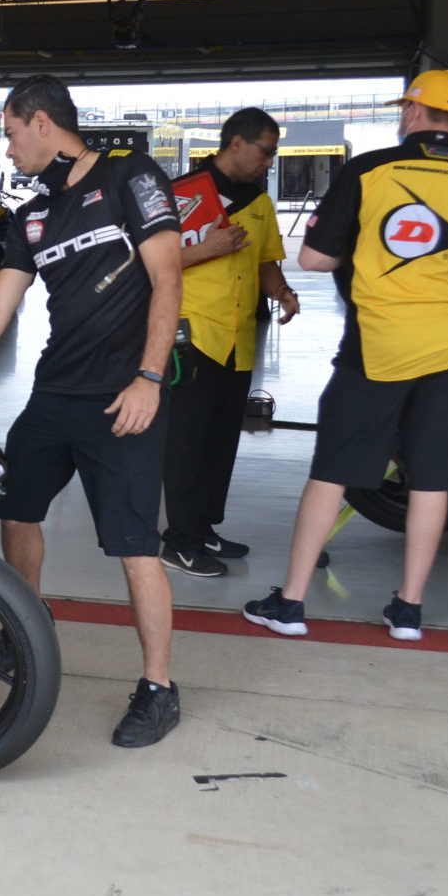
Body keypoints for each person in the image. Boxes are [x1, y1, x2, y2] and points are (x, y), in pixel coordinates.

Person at [0, 74, 186, 749]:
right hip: (55, 395)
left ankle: (159, 688)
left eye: (13, 134)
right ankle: (28, 630)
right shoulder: (31, 215)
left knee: (134, 544)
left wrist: (149, 377)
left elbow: (169, 278)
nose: (10, 149)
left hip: (124, 396)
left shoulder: (131, 179)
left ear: (42, 123)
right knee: (16, 510)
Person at [244, 70, 448, 640]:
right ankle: (408, 610)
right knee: (433, 480)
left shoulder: (368, 172)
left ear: (414, 113)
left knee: (332, 473)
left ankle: (292, 604)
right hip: (446, 353)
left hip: (375, 346)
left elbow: (316, 260)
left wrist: (365, 250)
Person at [159, 107, 301, 578]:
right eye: (266, 151)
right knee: (186, 442)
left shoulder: (258, 201)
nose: (270, 162)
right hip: (192, 334)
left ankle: (201, 528)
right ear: (236, 144)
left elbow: (264, 262)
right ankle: (177, 540)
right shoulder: (182, 194)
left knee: (221, 441)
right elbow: (148, 263)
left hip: (238, 339)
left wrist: (281, 292)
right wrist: (207, 249)